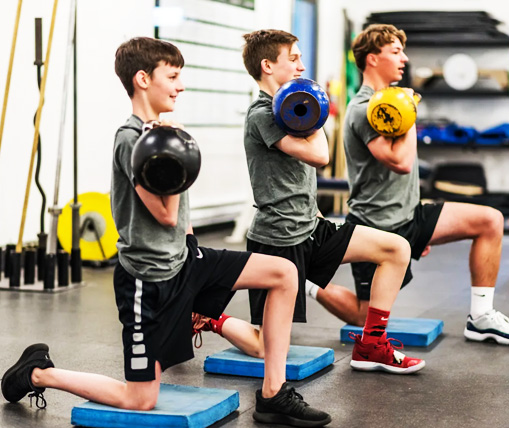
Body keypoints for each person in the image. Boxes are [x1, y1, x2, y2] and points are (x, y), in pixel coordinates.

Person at [1, 37, 332, 428]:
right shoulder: (132, 139)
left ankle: (274, 394)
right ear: (143, 79)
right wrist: (173, 148)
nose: (181, 86)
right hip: (148, 281)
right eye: (173, 77)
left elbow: (181, 220)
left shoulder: (158, 132)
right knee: (140, 399)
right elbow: (165, 215)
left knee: (284, 273)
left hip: (186, 259)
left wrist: (191, 241)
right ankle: (38, 372)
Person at [213, 28, 425, 375]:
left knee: (396, 249)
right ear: (267, 65)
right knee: (267, 347)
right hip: (278, 240)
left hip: (312, 227)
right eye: (293, 59)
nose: (301, 66)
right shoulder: (262, 114)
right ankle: (211, 318)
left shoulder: (291, 108)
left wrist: (309, 104)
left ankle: (372, 343)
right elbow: (319, 155)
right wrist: (313, 105)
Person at [307, 23, 509, 346]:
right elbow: (400, 161)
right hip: (376, 227)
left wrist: (405, 108)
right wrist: (410, 114)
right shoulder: (362, 109)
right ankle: (309, 283)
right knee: (362, 316)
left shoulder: (391, 101)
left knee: (490, 221)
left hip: (410, 215)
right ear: (372, 59)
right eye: (395, 51)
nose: (404, 59)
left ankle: (481, 318)